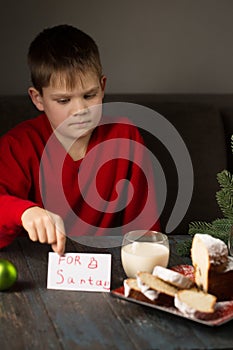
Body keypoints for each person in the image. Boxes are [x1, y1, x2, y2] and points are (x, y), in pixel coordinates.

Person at [0, 24, 160, 255]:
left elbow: (145, 228)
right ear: (38, 99)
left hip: (105, 265)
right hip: (37, 267)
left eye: (89, 95)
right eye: (63, 100)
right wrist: (25, 212)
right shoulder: (18, 145)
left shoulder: (125, 136)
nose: (80, 110)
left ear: (103, 87)